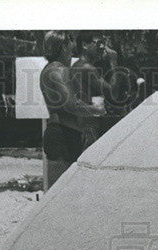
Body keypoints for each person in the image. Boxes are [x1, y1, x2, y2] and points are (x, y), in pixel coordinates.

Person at [39, 31, 104, 189]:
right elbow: (71, 104)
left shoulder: (49, 70)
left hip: (61, 134)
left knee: (59, 194)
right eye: (70, 46)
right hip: (62, 136)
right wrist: (95, 109)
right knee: (62, 194)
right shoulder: (59, 71)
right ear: (62, 48)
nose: (72, 50)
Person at [70, 34, 121, 147]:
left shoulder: (77, 65)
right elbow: (113, 93)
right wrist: (113, 62)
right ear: (85, 45)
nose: (102, 47)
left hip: (81, 124)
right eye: (98, 43)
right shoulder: (87, 68)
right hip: (88, 127)